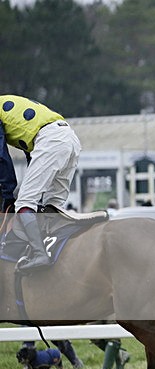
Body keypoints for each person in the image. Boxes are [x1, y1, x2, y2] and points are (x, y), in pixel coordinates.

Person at [1, 95, 81, 271]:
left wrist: (8, 196)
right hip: (70, 138)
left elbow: (2, 158)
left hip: (51, 140)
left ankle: (40, 254)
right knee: (52, 205)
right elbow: (32, 156)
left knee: (24, 203)